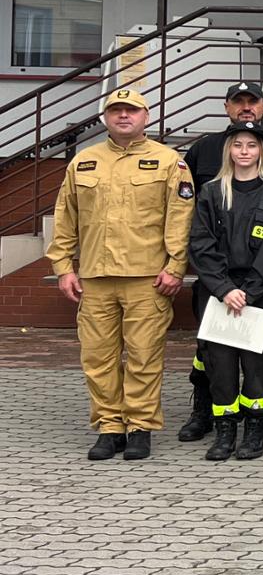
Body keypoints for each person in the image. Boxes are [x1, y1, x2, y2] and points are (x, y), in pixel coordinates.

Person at [50, 89, 192, 461]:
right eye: (116, 111)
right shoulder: (83, 162)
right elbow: (66, 217)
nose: (123, 116)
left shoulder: (168, 162)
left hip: (147, 278)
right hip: (95, 277)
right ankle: (110, 427)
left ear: (146, 116)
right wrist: (63, 267)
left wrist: (176, 266)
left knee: (144, 356)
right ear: (105, 118)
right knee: (98, 357)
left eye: (131, 110)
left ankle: (140, 427)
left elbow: (180, 219)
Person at [179, 82, 263, 442]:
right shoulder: (213, 191)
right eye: (237, 145)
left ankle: (255, 430)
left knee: (259, 364)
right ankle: (225, 431)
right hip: (218, 292)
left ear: (262, 151)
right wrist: (224, 288)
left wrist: (250, 290)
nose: (243, 151)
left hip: (261, 292)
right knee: (220, 363)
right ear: (228, 150)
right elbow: (201, 242)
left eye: (251, 145)